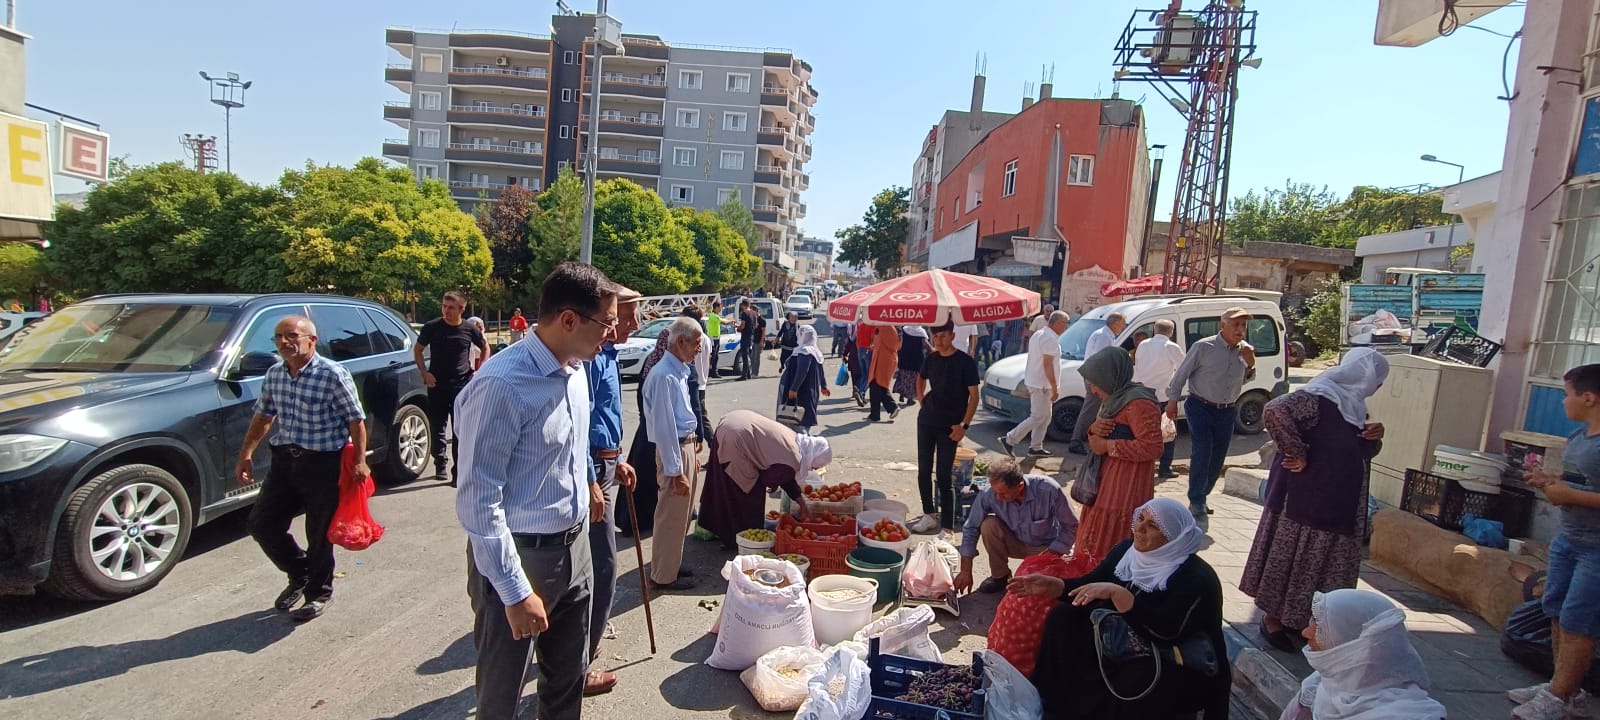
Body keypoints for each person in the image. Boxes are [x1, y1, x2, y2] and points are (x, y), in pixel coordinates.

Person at [455, 262, 617, 720]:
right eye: (604, 322)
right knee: (502, 696)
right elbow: (479, 501)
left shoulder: (576, 370)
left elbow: (572, 443)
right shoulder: (502, 385)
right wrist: (513, 591)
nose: (610, 332)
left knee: (566, 683)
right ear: (569, 320)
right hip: (522, 558)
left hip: (575, 547)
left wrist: (592, 482)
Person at [1010, 497, 1231, 720]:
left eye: (1153, 526)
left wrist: (1121, 596)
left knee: (1135, 676)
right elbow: (1093, 583)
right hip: (1126, 639)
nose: (1140, 529)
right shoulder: (1127, 551)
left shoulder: (1196, 578)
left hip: (1176, 660)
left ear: (1173, 537)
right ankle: (1055, 705)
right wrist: (1055, 585)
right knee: (1064, 617)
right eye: (1140, 519)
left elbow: (1166, 632)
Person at [1240, 348, 1388, 652]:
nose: (1378, 387)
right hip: (1305, 499)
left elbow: (1356, 450)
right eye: (1378, 380)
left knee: (1325, 561)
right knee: (1296, 555)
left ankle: (1309, 621)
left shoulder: (1354, 406)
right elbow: (1275, 411)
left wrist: (1376, 436)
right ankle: (1275, 619)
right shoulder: (1318, 397)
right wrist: (1296, 452)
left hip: (1339, 501)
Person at [235, 316, 368, 622]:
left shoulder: (333, 374)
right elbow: (263, 416)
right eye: (279, 337)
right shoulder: (275, 374)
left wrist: (360, 461)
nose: (284, 342)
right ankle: (300, 572)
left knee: (319, 533)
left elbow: (355, 420)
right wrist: (246, 454)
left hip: (323, 463)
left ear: (312, 340)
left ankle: (319, 593)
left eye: (292, 336)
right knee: (261, 523)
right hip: (284, 460)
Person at [1511, 363, 1600, 719]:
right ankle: (1563, 687)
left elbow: (1581, 493)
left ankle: (1559, 696)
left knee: (1580, 621)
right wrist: (1550, 480)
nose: (1564, 402)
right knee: (1557, 610)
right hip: (1568, 539)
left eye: (1567, 394)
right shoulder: (1580, 438)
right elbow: (1580, 480)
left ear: (1589, 398)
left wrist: (1570, 496)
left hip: (1596, 548)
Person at [582, 282, 643, 697]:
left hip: (606, 463)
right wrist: (591, 477)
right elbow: (578, 420)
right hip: (589, 471)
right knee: (600, 569)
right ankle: (579, 663)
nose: (636, 323)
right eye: (630, 314)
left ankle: (580, 651)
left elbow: (605, 414)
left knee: (597, 568)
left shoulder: (608, 355)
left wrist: (616, 459)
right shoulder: (587, 358)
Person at [1279, 589, 1446, 720]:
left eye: (1321, 628)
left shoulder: (1412, 716)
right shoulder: (1320, 685)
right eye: (1313, 622)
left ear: (1359, 645)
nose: (1306, 632)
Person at [1072, 346, 1165, 560]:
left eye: (1095, 384)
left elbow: (1153, 447)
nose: (1093, 390)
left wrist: (1107, 447)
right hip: (1106, 476)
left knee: (1112, 533)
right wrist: (1093, 430)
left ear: (1109, 376)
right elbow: (1101, 431)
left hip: (1126, 481)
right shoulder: (1114, 397)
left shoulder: (1139, 403)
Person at [1166, 307, 1256, 517]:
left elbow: (1246, 377)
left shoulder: (1245, 350)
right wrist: (1172, 401)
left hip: (1227, 410)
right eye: (1236, 324)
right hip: (1200, 406)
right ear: (1222, 325)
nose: (1240, 329)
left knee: (1217, 457)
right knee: (1203, 451)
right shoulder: (1204, 346)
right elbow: (1181, 374)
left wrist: (1251, 363)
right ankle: (1196, 499)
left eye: (1244, 325)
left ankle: (1202, 496)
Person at [699, 410, 831, 546]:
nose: (814, 469)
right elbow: (769, 479)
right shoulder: (795, 458)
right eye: (816, 465)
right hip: (736, 438)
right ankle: (739, 538)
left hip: (730, 423)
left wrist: (801, 503)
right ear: (814, 456)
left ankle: (716, 526)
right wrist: (776, 482)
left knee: (722, 481)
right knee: (748, 492)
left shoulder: (796, 441)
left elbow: (784, 475)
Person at [643, 317, 705, 591]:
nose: (699, 350)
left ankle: (671, 566)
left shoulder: (676, 371)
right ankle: (662, 575)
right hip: (675, 449)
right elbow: (665, 429)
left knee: (680, 515)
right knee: (670, 515)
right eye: (696, 344)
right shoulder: (663, 376)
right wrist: (676, 470)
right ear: (681, 342)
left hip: (684, 447)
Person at [953, 459, 1078, 594]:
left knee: (1050, 590)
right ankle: (1000, 577)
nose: (998, 498)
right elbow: (971, 527)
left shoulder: (1048, 489)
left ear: (1019, 486)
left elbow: (1072, 526)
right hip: (1014, 542)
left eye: (1003, 493)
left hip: (1046, 549)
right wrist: (965, 570)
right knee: (988, 525)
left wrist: (1053, 552)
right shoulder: (989, 494)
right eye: (996, 492)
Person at [912, 321, 982, 533]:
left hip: (950, 426)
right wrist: (922, 399)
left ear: (952, 335)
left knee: (944, 475)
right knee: (923, 470)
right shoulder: (931, 358)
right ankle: (929, 514)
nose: (939, 341)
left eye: (943, 336)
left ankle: (947, 528)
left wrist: (964, 425)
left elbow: (974, 396)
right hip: (926, 420)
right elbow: (920, 379)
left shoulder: (965, 362)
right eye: (935, 337)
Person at [415, 291, 488, 486]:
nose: (446, 311)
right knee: (437, 426)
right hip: (436, 383)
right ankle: (440, 464)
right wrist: (424, 372)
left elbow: (485, 346)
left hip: (462, 384)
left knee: (459, 430)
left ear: (461, 310)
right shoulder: (432, 327)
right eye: (444, 306)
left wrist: (479, 372)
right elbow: (418, 350)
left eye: (451, 308)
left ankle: (458, 472)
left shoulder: (469, 329)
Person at [618, 328, 672, 537]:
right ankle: (636, 521)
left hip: (646, 430)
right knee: (646, 479)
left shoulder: (652, 360)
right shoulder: (660, 368)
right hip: (652, 431)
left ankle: (638, 520)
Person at [1000, 311, 1067, 459]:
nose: (1066, 327)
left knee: (1045, 417)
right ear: (1056, 323)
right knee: (1038, 417)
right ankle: (1010, 439)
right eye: (1064, 323)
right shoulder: (1049, 338)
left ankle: (1036, 447)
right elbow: (1047, 365)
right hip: (1041, 384)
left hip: (1037, 382)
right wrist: (1055, 388)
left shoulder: (1041, 333)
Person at [1132, 320, 1186, 479]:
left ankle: (1142, 466)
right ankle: (1164, 468)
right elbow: (1184, 369)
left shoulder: (1143, 345)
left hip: (1143, 394)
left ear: (1155, 330)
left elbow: (1138, 366)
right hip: (1163, 396)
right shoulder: (1171, 347)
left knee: (1143, 432)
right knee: (1167, 433)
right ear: (1171, 332)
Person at [1071, 312, 1127, 455]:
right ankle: (1076, 440)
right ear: (1115, 323)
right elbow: (1100, 360)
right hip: (1096, 378)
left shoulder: (1104, 334)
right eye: (1122, 323)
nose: (1123, 326)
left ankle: (1085, 438)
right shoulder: (1104, 336)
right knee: (1089, 410)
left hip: (1094, 376)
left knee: (1094, 410)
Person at [778, 324, 831, 433]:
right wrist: (824, 386)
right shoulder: (815, 352)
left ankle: (804, 446)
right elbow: (820, 371)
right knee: (801, 420)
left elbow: (802, 371)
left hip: (802, 391)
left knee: (800, 421)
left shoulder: (804, 351)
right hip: (810, 390)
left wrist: (794, 388)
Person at [682, 306, 714, 441]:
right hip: (701, 381)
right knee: (699, 416)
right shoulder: (705, 338)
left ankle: (715, 447)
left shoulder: (695, 339)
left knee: (700, 417)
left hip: (695, 383)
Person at [866, 324, 902, 423]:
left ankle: (892, 407)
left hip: (884, 360)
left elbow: (891, 344)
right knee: (876, 386)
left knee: (879, 385)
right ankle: (875, 413)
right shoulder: (886, 327)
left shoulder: (888, 327)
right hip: (881, 359)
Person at [895, 326, 928, 406]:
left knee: (904, 376)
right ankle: (910, 399)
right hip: (916, 359)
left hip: (905, 357)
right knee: (913, 380)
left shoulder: (905, 330)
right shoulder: (921, 333)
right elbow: (926, 345)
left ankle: (902, 394)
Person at [706, 299, 723, 379]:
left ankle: (714, 372)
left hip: (717, 338)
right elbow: (723, 322)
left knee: (716, 356)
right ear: (716, 307)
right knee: (713, 356)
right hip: (713, 339)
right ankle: (709, 372)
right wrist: (731, 321)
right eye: (720, 307)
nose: (721, 309)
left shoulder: (716, 315)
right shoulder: (713, 316)